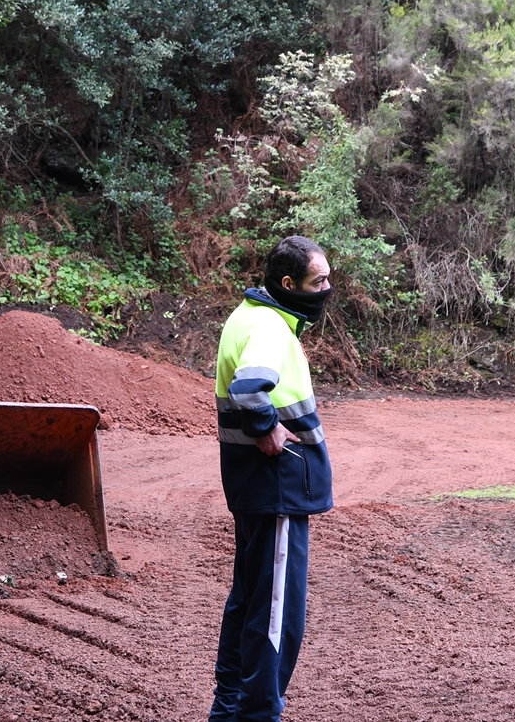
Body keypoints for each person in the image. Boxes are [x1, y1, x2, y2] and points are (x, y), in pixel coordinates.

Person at [208, 236, 334, 722]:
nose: (326, 289)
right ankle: (258, 714)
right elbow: (249, 387)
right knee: (277, 618)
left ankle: (229, 711)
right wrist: (268, 430)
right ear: (288, 284)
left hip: (255, 491)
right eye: (317, 281)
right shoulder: (270, 331)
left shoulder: (246, 316)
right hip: (277, 490)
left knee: (248, 603)